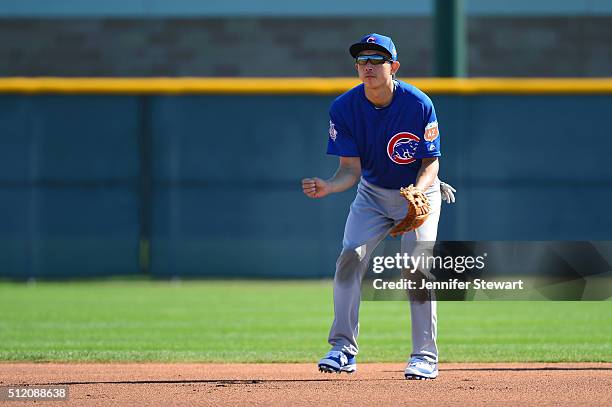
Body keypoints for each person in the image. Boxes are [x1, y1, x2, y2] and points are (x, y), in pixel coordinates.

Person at [301, 33, 455, 380]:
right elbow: (350, 170)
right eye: (361, 60)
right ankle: (342, 349)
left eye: (376, 60)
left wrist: (416, 192)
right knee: (349, 258)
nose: (367, 66)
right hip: (372, 194)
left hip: (418, 192)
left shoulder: (417, 104)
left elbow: (431, 164)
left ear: (393, 67)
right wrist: (329, 185)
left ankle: (425, 356)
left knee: (416, 266)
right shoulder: (344, 107)